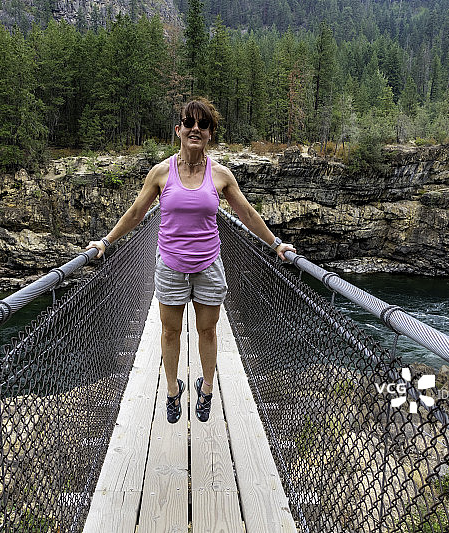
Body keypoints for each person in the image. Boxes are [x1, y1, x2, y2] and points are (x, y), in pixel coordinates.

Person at [86, 98, 295, 424]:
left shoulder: (221, 175)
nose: (195, 129)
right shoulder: (161, 173)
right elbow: (137, 213)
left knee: (207, 330)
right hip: (170, 266)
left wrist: (276, 244)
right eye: (189, 123)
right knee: (170, 332)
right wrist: (105, 242)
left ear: (210, 134)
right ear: (179, 129)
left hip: (208, 266)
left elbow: (248, 214)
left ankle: (207, 388)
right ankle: (172, 390)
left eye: (203, 124)